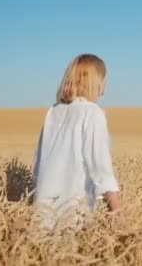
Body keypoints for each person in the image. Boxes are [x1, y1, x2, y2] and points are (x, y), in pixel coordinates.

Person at [32, 53, 121, 230]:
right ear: (96, 81)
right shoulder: (92, 113)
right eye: (104, 79)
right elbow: (100, 164)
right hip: (73, 211)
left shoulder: (53, 112)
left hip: (43, 208)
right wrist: (116, 207)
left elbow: (38, 162)